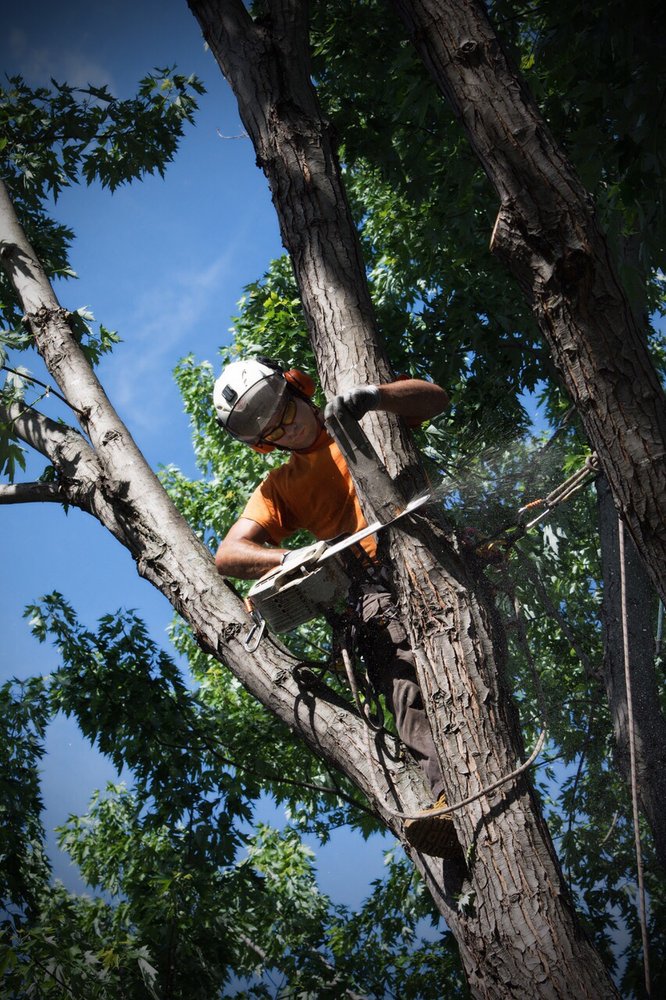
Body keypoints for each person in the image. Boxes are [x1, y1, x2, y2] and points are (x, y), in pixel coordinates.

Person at [213, 356, 462, 860]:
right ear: (264, 443)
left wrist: (376, 396)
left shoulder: (358, 416)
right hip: (369, 590)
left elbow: (436, 398)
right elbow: (228, 554)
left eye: (285, 411)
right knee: (402, 687)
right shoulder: (280, 487)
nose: (286, 427)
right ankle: (448, 801)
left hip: (434, 556)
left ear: (297, 387)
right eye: (273, 429)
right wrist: (289, 556)